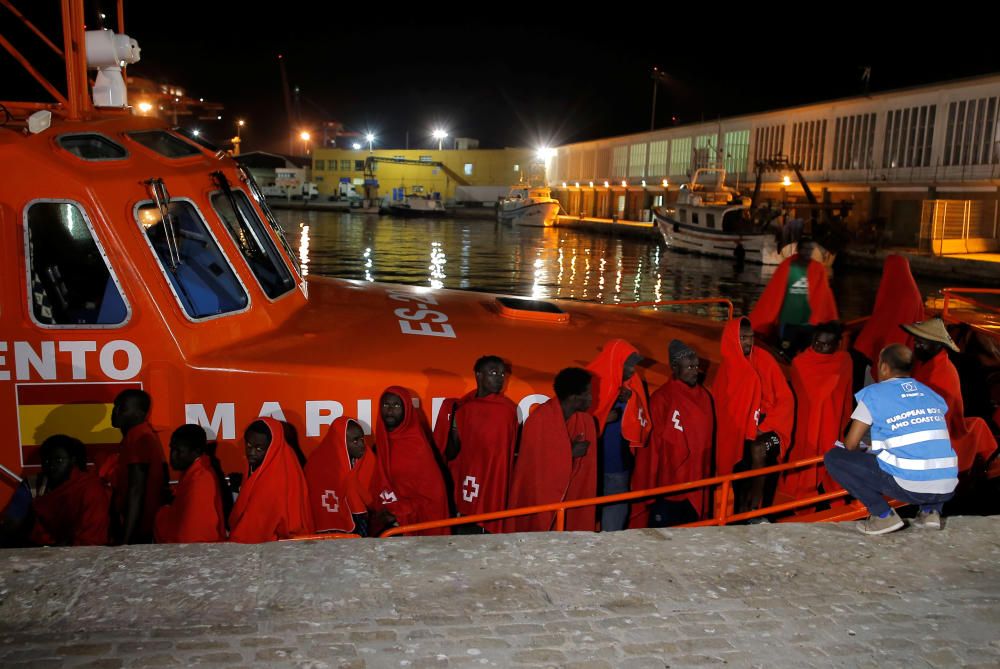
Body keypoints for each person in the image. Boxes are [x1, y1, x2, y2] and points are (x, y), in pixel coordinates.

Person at [825, 344, 958, 534]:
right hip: (947, 485)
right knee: (930, 453)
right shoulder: (931, 394)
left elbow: (851, 443)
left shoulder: (874, 394)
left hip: (909, 486)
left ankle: (882, 516)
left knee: (834, 458)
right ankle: (930, 512)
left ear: (884, 367)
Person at [712, 318, 795, 516]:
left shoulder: (765, 360)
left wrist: (764, 426)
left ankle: (757, 510)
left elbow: (786, 400)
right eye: (743, 338)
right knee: (739, 456)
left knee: (758, 449)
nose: (748, 342)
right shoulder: (727, 369)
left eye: (750, 337)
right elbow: (723, 408)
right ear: (733, 339)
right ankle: (740, 509)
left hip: (771, 429)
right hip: (742, 429)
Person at [629, 340, 715, 528]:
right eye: (689, 367)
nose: (695, 371)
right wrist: (651, 483)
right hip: (668, 481)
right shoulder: (662, 398)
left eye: (696, 366)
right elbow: (652, 447)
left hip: (696, 479)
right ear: (675, 367)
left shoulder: (705, 397)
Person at [506, 367, 598, 533]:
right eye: (588, 394)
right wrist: (569, 453)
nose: (592, 399)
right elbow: (534, 468)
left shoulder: (586, 421)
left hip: (570, 495)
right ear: (573, 397)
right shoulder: (539, 419)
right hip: (539, 497)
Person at [434, 356, 519, 534]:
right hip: (467, 480)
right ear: (478, 375)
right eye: (493, 373)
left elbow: (507, 452)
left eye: (502, 374)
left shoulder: (507, 409)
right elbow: (452, 452)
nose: (500, 378)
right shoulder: (463, 406)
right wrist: (453, 424)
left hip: (495, 480)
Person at [902, 318, 998, 472]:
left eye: (922, 342)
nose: (917, 346)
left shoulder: (942, 373)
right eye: (916, 342)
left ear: (938, 345)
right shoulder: (925, 363)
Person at [779, 322, 853, 501]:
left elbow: (846, 394)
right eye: (817, 342)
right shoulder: (800, 363)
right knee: (804, 456)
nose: (820, 347)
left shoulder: (844, 361)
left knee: (829, 453)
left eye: (827, 344)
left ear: (837, 345)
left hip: (831, 419)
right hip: (805, 421)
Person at [586, 339, 651, 531]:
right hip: (593, 461)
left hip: (618, 463)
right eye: (628, 366)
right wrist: (603, 419)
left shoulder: (633, 385)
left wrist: (632, 399)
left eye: (633, 367)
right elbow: (576, 419)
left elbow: (642, 415)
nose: (632, 371)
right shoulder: (591, 382)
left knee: (616, 511)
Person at [369, 387, 450, 536]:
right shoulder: (380, 443)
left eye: (396, 405)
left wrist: (397, 512)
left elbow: (432, 497)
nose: (390, 410)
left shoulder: (416, 446)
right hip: (388, 517)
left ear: (406, 409)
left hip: (414, 521)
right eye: (386, 405)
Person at [228, 417, 314, 543]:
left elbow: (256, 527)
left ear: (272, 446)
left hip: (279, 546)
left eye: (259, 448)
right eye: (248, 445)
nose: (251, 452)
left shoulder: (276, 477)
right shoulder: (272, 459)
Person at [748, 238, 838, 357]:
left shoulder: (817, 269)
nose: (807, 253)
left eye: (810, 250)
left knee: (806, 353)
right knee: (786, 354)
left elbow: (824, 297)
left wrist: (830, 321)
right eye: (804, 249)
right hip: (789, 322)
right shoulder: (787, 267)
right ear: (798, 250)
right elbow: (774, 294)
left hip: (809, 324)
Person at [102, 389, 167, 544]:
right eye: (115, 407)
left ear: (140, 413)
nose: (115, 412)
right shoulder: (137, 435)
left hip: (139, 529)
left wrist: (126, 540)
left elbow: (136, 489)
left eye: (122, 409)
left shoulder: (139, 437)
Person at [29, 435, 110, 546]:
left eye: (59, 460)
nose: (52, 466)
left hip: (87, 552)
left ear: (73, 461)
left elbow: (92, 535)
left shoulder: (89, 488)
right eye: (47, 461)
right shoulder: (37, 485)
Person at [852, 255, 925, 375]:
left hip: (890, 359)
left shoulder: (900, 296)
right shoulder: (911, 292)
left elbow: (888, 328)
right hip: (903, 355)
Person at [154, 425, 227, 543]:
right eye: (172, 449)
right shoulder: (193, 472)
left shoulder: (201, 479)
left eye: (178, 451)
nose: (172, 456)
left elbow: (194, 535)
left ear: (196, 451)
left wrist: (162, 512)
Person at [304, 416, 376, 536]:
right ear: (339, 442)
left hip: (364, 522)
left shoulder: (368, 458)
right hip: (331, 531)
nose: (361, 444)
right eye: (355, 441)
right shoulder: (317, 465)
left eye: (362, 439)